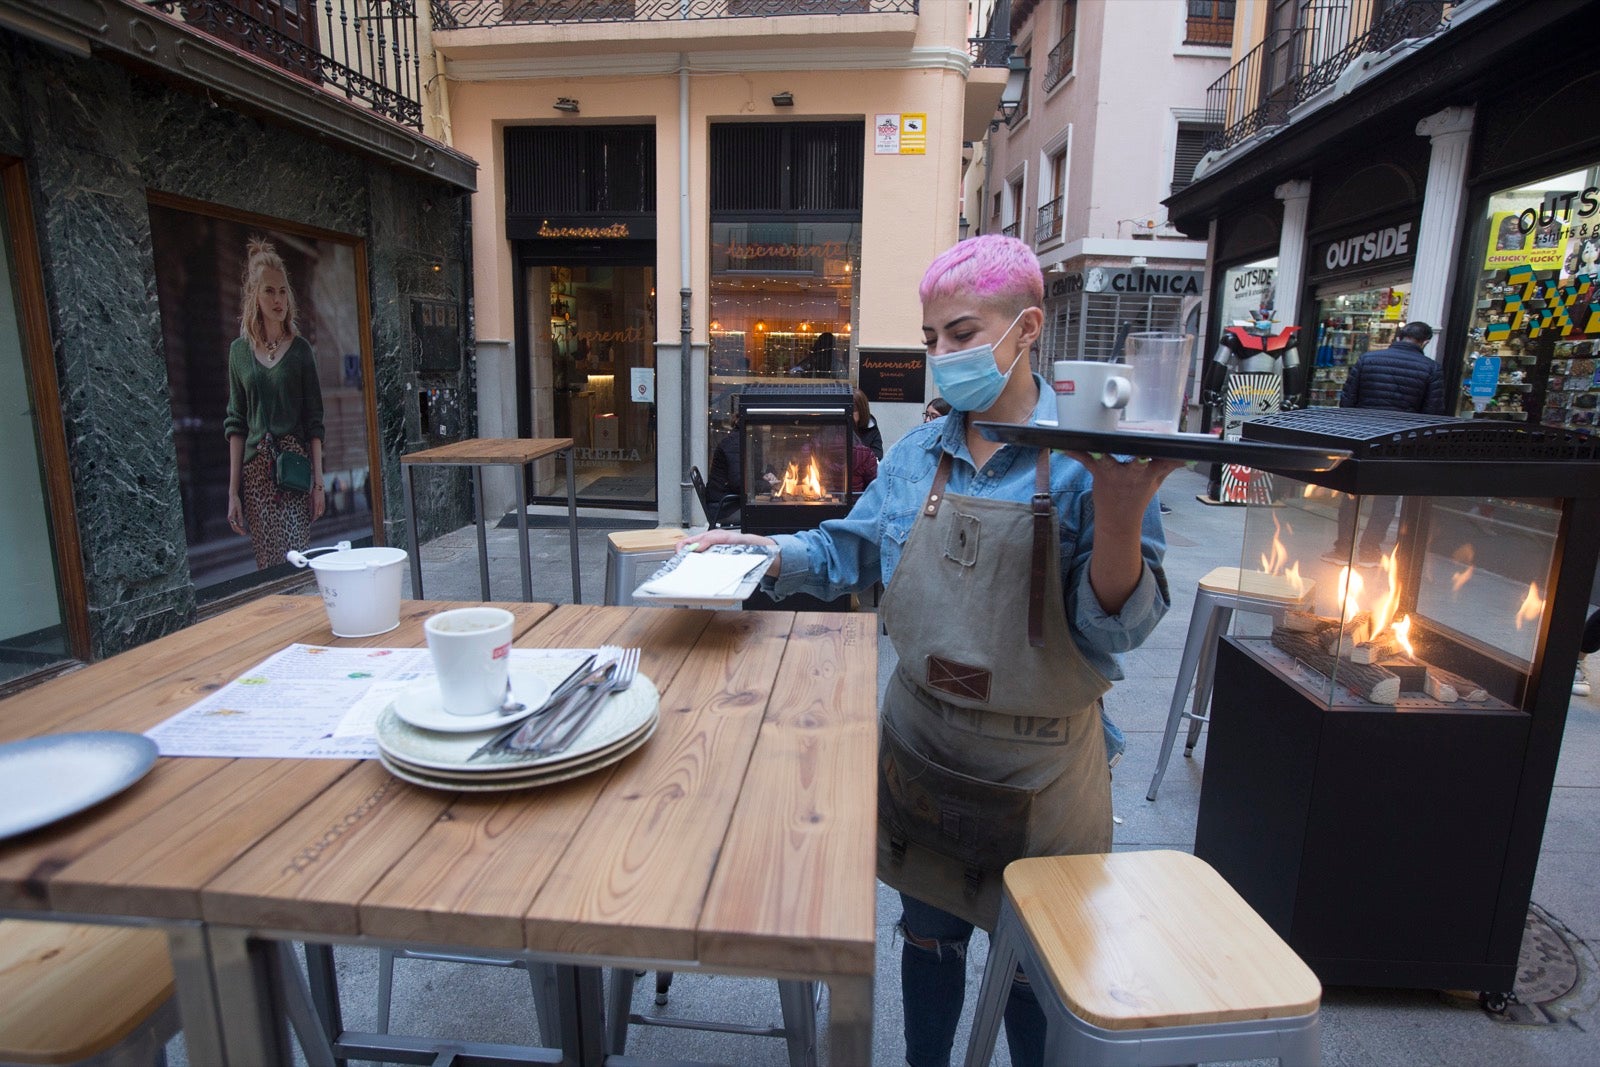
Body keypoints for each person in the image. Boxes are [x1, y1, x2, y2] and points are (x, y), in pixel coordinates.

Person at [683, 235, 1174, 1067]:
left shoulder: (1093, 462)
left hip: (1042, 773)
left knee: (1035, 970)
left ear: (1027, 328)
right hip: (924, 752)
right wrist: (763, 554)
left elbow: (1113, 633)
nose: (942, 355)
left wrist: (1122, 515)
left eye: (961, 332)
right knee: (928, 939)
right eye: (930, 338)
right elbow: (848, 550)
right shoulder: (917, 454)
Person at [224, 238, 326, 569]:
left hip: (293, 468)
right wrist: (233, 492)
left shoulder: (300, 351)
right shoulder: (239, 352)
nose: (278, 299)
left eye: (283, 291)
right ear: (254, 295)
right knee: (268, 565)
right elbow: (236, 424)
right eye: (269, 291)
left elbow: (314, 421)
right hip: (256, 474)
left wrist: (319, 485)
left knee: (296, 560)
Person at [1322, 321, 1444, 566]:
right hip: (1399, 444)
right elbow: (1432, 414)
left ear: (1399, 335)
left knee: (1351, 496)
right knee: (1385, 501)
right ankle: (1369, 551)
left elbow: (1347, 401)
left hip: (1362, 439)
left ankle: (1342, 550)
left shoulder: (1367, 360)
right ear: (1426, 342)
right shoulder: (1431, 369)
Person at [853, 389, 884, 459]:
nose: (849, 413)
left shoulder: (871, 429)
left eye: (853, 409)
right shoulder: (840, 427)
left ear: (861, 410)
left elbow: (877, 457)